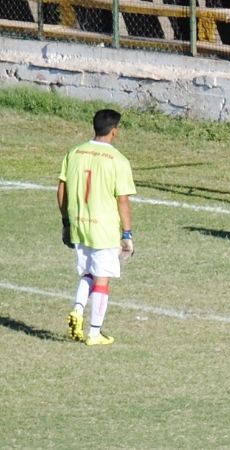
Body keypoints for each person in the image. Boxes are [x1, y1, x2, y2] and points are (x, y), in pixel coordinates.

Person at [57, 109, 136, 346]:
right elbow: (122, 199)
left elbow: (62, 189)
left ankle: (78, 309)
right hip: (104, 228)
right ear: (114, 130)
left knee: (89, 273)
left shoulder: (74, 152)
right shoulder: (118, 160)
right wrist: (127, 234)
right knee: (102, 279)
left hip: (80, 224)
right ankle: (94, 333)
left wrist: (66, 222)